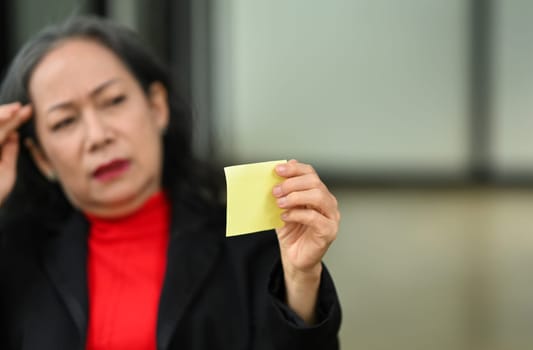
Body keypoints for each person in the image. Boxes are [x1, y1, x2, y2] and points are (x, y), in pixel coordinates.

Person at [0, 16, 341, 349]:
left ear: (157, 106)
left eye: (113, 101)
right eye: (65, 122)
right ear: (42, 157)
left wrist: (300, 278)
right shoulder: (15, 258)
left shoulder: (250, 245)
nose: (98, 136)